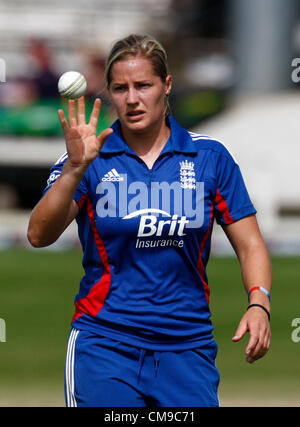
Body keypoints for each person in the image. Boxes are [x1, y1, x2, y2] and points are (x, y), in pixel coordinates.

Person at [27, 34, 272, 407]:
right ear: (109, 93)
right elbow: (38, 235)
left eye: (143, 85)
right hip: (105, 344)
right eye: (120, 88)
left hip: (187, 347)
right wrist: (75, 169)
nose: (132, 98)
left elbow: (250, 243)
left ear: (167, 85)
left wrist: (259, 304)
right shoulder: (89, 158)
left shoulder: (209, 156)